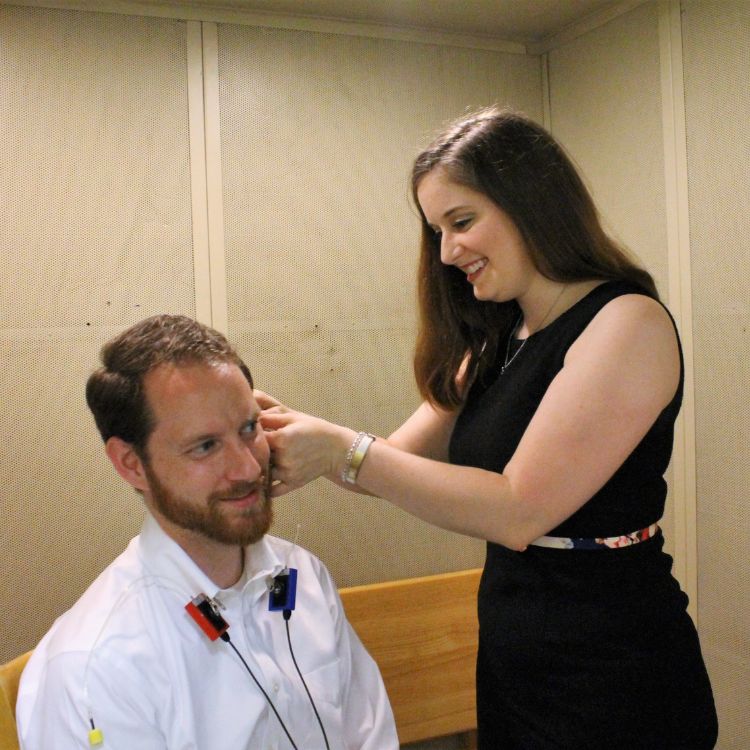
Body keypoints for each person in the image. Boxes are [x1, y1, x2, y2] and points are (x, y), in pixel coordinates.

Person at [256, 107, 718, 748]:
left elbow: (517, 509)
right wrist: (290, 437)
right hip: (514, 646)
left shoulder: (626, 322)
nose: (448, 252)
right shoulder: (497, 340)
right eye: (436, 230)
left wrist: (342, 448)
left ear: (532, 204)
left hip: (612, 660)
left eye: (462, 221)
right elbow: (385, 466)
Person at [16, 314, 397, 750]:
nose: (249, 468)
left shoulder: (302, 575)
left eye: (249, 429)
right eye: (205, 446)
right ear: (131, 463)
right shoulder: (95, 665)